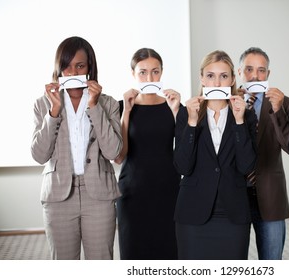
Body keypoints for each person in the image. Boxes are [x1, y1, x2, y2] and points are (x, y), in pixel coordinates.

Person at [31, 36, 122, 260]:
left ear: (89, 68)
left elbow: (113, 152)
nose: (72, 73)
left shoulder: (107, 103)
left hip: (99, 195)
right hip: (59, 194)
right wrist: (53, 113)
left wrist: (94, 106)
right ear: (58, 68)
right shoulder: (43, 104)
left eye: (79, 66)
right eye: (66, 66)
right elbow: (39, 155)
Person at [173, 50, 257, 260]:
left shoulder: (246, 115)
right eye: (211, 75)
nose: (217, 82)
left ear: (232, 80)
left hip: (233, 213)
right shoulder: (186, 113)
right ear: (202, 78)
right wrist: (192, 124)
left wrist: (239, 123)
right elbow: (183, 167)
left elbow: (247, 167)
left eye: (224, 76)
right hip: (193, 211)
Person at [114, 48, 181, 260]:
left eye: (155, 71)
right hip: (133, 192)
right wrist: (126, 111)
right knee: (134, 252)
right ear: (133, 73)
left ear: (162, 73)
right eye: (143, 72)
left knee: (168, 251)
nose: (149, 77)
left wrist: (177, 111)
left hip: (168, 190)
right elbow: (119, 156)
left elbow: (186, 152)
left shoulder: (174, 106)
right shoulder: (121, 107)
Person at [237, 47, 289, 260]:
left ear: (268, 74)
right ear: (240, 71)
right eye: (249, 69)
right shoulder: (226, 99)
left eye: (261, 70)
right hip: (235, 193)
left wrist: (278, 111)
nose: (254, 75)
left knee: (271, 261)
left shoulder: (283, 102)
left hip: (271, 192)